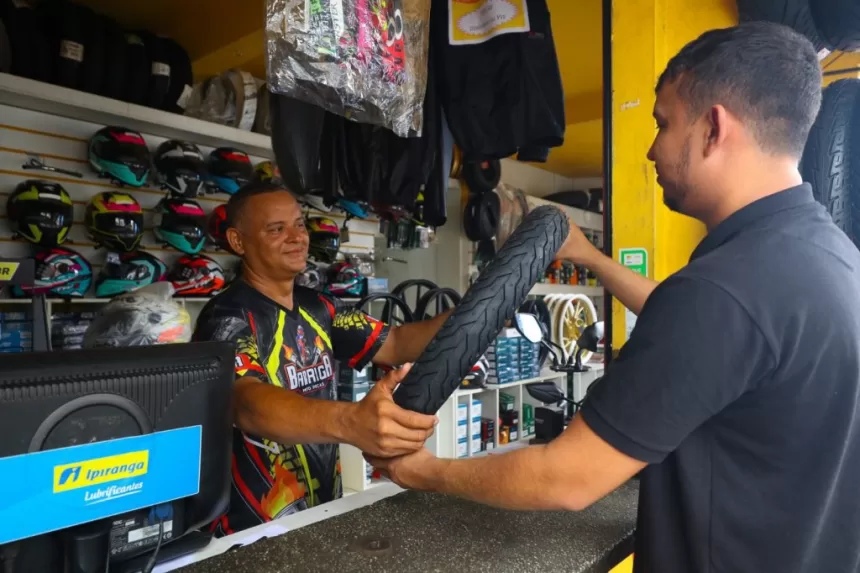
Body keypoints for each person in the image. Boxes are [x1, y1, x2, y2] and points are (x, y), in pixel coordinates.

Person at [370, 22, 860, 573]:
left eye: (663, 123)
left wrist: (423, 470)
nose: (652, 148)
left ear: (713, 128)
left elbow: (567, 478)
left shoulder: (722, 291)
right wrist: (592, 259)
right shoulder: (829, 256)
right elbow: (712, 333)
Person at [193, 182, 451, 536]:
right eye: (276, 229)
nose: (297, 237)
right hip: (252, 530)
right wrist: (351, 421)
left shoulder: (321, 307)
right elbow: (246, 402)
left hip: (321, 511)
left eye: (299, 224)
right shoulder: (226, 318)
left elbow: (397, 342)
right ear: (238, 242)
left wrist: (479, 310)